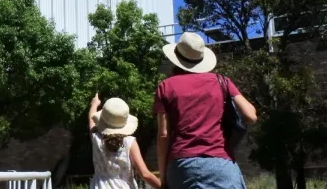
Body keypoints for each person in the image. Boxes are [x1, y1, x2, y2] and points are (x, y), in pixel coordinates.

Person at [154, 32, 259, 189]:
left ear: (176, 58)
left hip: (182, 166)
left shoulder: (166, 86)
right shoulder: (222, 81)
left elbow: (163, 134)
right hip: (220, 164)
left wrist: (163, 177)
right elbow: (251, 116)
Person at [89, 93, 162, 189]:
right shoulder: (129, 143)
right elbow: (144, 174)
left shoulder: (96, 137)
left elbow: (91, 119)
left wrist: (94, 104)